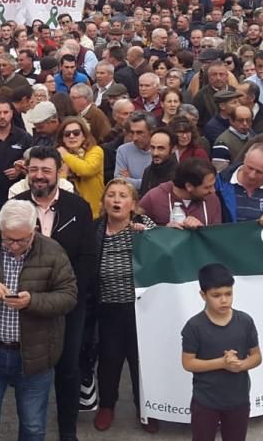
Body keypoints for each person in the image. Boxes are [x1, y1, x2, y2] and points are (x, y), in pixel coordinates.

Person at [0, 200, 78, 441]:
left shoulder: (53, 251)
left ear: (33, 230)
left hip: (35, 355)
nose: (13, 246)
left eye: (21, 240)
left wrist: (32, 301)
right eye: (8, 239)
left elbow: (69, 296)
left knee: (33, 427)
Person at [13, 145, 95, 441]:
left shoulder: (78, 207)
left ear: (59, 172)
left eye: (46, 170)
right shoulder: (16, 204)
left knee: (68, 367)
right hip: (28, 304)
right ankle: (30, 430)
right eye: (34, 169)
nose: (39, 176)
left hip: (68, 305)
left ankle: (67, 431)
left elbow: (87, 258)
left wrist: (70, 295)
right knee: (30, 369)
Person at [92, 180, 158, 433]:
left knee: (140, 360)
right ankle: (107, 406)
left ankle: (148, 407)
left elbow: (166, 247)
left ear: (134, 204)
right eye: (111, 195)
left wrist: (148, 237)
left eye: (122, 196)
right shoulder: (96, 228)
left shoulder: (145, 227)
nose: (116, 200)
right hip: (108, 307)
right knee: (109, 359)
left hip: (141, 308)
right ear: (104, 202)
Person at [181, 263, 262, 441]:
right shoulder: (194, 327)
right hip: (205, 402)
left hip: (238, 400)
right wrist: (222, 363)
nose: (224, 300)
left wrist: (240, 365)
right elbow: (188, 363)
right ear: (203, 295)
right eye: (216, 295)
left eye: (228, 293)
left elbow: (256, 357)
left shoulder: (245, 321)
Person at [215, 144, 263, 224]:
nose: (252, 175)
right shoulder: (219, 182)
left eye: (259, 172)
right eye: (250, 168)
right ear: (244, 158)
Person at [139, 158, 222, 227]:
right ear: (189, 186)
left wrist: (201, 231)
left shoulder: (212, 199)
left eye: (212, 185)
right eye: (207, 187)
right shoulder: (154, 198)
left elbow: (216, 237)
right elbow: (137, 229)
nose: (213, 191)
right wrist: (164, 232)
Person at [56, 116, 105, 216]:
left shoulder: (95, 151)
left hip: (93, 213)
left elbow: (86, 169)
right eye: (67, 134)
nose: (72, 136)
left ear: (84, 136)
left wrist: (65, 155)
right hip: (66, 211)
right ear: (62, 139)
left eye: (76, 133)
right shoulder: (56, 156)